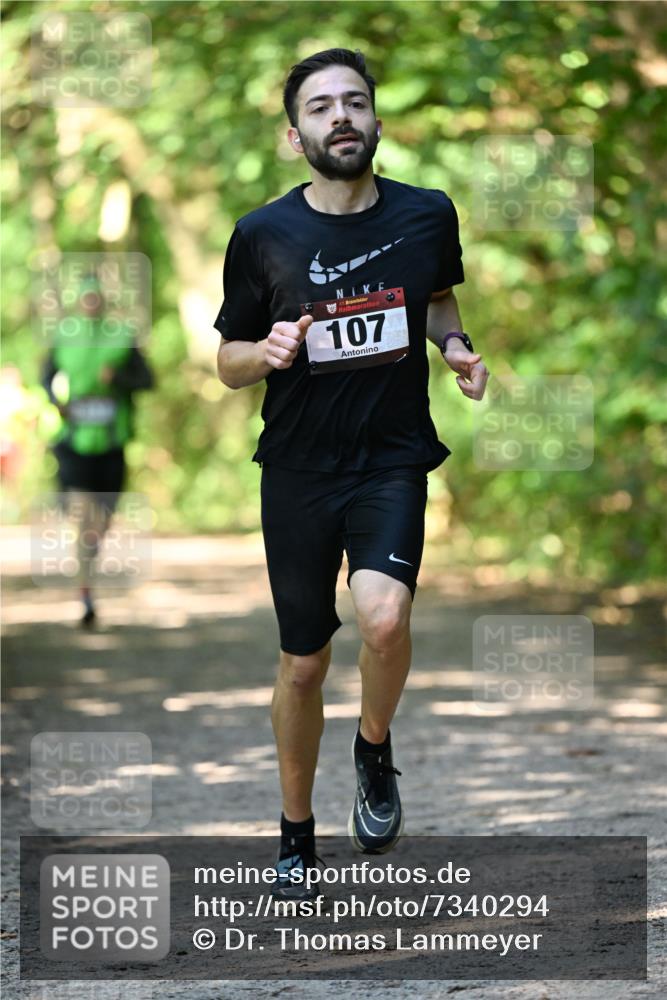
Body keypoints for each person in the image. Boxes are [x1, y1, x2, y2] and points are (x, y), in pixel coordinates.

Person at [214, 48, 488, 898]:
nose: (342, 117)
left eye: (355, 103)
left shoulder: (426, 214)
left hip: (392, 457)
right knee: (302, 663)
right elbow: (224, 359)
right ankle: (295, 831)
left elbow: (436, 297)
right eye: (323, 107)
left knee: (382, 617)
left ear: (376, 121)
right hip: (296, 468)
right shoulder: (262, 234)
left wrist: (452, 345)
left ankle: (374, 749)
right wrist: (262, 352)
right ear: (293, 135)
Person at [41, 274, 153, 627]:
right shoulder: (63, 336)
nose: (91, 304)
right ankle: (86, 593)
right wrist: (56, 401)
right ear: (79, 302)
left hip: (112, 442)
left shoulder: (122, 336)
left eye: (95, 299)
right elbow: (46, 377)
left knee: (100, 523)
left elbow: (148, 380)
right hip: (73, 441)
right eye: (85, 299)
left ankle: (88, 563)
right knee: (83, 517)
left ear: (102, 301)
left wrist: (117, 380)